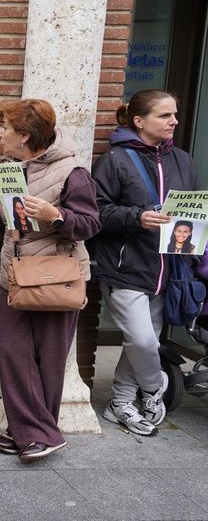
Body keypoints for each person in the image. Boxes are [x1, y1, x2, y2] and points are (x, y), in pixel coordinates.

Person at [0, 99, 101, 463]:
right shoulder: (11, 168)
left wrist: (57, 215)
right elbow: (7, 223)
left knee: (49, 358)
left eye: (4, 128)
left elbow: (90, 224)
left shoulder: (73, 172)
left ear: (24, 135)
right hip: (16, 276)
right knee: (14, 354)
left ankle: (41, 433)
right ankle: (25, 428)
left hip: (57, 279)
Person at [91, 89, 202, 436]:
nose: (174, 121)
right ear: (139, 121)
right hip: (126, 268)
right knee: (142, 341)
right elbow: (96, 210)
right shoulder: (115, 160)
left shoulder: (183, 159)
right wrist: (137, 217)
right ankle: (156, 389)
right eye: (164, 115)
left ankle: (120, 403)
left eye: (175, 114)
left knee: (141, 343)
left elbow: (194, 209)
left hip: (168, 269)